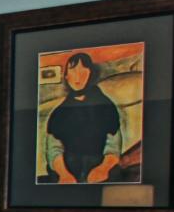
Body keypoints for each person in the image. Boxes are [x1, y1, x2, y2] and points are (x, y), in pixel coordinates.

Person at [43, 52, 123, 184]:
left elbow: (113, 146)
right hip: (67, 167)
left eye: (83, 70)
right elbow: (54, 149)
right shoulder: (59, 113)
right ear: (66, 76)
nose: (78, 76)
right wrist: (64, 174)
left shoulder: (106, 106)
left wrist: (103, 168)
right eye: (73, 70)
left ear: (90, 74)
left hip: (99, 165)